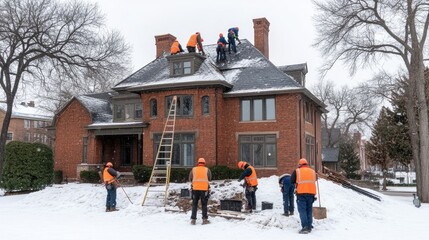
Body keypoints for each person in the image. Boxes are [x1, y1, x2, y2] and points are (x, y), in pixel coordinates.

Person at [290, 158, 317, 234]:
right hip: (311, 194)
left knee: (302, 210)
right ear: (307, 164)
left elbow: (291, 181)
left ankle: (305, 227)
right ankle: (309, 225)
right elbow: (315, 179)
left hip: (301, 193)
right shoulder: (312, 171)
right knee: (309, 210)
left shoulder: (297, 171)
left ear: (300, 164)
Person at [189, 158, 212, 225]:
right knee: (204, 204)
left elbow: (190, 178)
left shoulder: (194, 169)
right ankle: (204, 220)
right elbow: (210, 178)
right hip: (204, 190)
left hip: (195, 189)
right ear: (204, 163)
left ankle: (193, 220)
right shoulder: (207, 170)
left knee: (194, 204)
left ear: (198, 163)